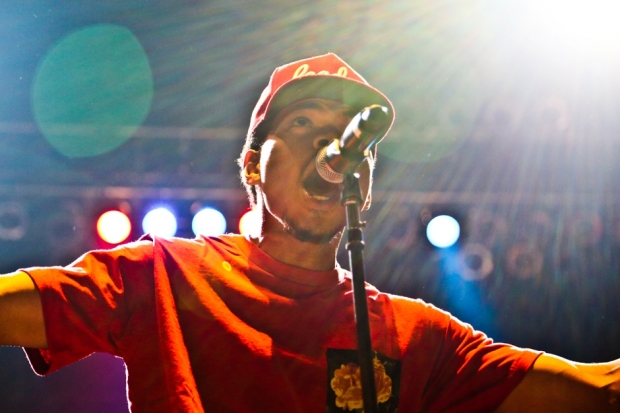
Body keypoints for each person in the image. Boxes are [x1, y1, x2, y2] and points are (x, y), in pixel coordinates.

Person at [0, 52, 618, 413]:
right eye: (304, 123)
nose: (335, 146)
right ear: (251, 164)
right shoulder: (159, 274)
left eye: (354, 137)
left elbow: (597, 390)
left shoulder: (415, 338)